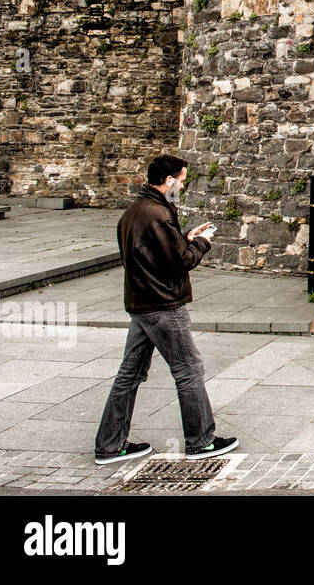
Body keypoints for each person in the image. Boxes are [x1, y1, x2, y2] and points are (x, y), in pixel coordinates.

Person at [93, 154, 238, 465]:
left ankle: (110, 444)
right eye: (181, 180)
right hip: (162, 305)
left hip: (140, 305)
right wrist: (202, 243)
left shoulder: (133, 212)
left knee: (129, 375)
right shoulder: (157, 213)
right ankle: (201, 440)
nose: (182, 186)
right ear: (169, 180)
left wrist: (185, 237)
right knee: (189, 370)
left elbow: (153, 252)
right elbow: (181, 261)